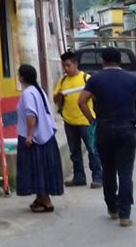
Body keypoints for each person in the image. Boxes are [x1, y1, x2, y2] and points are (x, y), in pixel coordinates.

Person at [79, 47, 136, 227]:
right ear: (120, 60)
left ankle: (112, 208)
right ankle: (125, 215)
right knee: (125, 173)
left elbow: (81, 101)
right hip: (127, 129)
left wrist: (92, 120)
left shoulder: (96, 79)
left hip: (104, 129)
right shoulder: (132, 79)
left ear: (103, 61)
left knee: (108, 171)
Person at [16, 64, 64, 213]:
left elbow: (31, 115)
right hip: (46, 135)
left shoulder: (28, 93)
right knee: (43, 168)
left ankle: (46, 201)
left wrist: (30, 135)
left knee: (37, 169)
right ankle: (40, 198)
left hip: (35, 138)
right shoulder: (39, 91)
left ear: (22, 77)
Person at [54, 51, 102, 189]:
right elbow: (56, 100)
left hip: (86, 122)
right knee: (74, 152)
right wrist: (60, 96)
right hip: (69, 122)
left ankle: (98, 177)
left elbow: (96, 97)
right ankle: (79, 177)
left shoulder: (86, 79)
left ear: (76, 64)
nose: (66, 68)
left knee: (92, 150)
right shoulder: (62, 81)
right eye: (64, 66)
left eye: (68, 65)